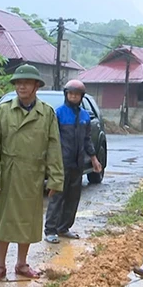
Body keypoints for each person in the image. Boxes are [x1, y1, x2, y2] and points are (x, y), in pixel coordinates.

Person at [0, 64, 64, 281]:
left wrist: (55, 179)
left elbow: (54, 147)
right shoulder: (3, 111)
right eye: (18, 82)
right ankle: (0, 265)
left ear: (36, 86)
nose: (21, 86)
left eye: (26, 82)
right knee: (3, 220)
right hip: (8, 173)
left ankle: (22, 263)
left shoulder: (46, 114)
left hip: (32, 175)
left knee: (27, 220)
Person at [44, 79, 102, 244]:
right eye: (71, 93)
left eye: (76, 94)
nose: (73, 96)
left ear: (81, 96)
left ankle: (64, 228)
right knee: (57, 196)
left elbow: (87, 139)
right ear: (66, 94)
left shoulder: (84, 116)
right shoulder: (58, 113)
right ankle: (50, 230)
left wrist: (94, 159)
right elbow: (51, 139)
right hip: (61, 163)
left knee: (73, 197)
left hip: (78, 164)